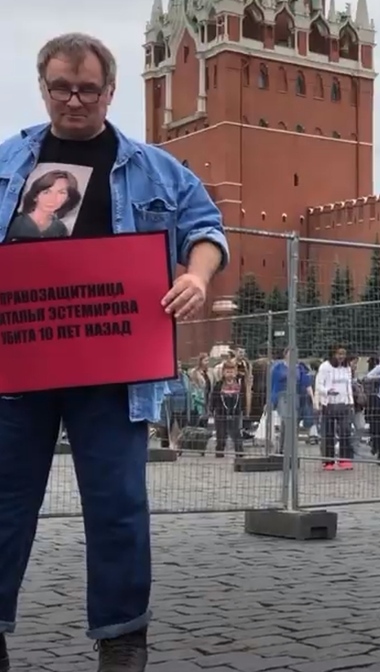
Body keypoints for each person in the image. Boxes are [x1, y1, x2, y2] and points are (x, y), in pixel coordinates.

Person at [0, 33, 227, 672]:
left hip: (114, 370)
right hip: (19, 364)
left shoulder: (154, 168)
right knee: (5, 503)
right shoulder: (8, 161)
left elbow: (206, 227)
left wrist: (197, 276)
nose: (74, 100)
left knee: (119, 506)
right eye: (61, 88)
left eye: (88, 89)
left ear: (110, 91)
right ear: (43, 88)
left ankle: (123, 637)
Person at [315, 346, 356, 471]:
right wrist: (327, 391)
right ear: (333, 354)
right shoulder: (325, 367)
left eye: (343, 354)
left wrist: (351, 401)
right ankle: (328, 461)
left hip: (344, 404)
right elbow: (318, 385)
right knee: (328, 433)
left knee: (345, 432)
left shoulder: (347, 368)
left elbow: (348, 385)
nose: (341, 357)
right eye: (339, 354)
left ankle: (344, 459)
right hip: (329, 404)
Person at [268, 348, 313, 454]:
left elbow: (307, 384)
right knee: (288, 422)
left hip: (296, 397)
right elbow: (273, 384)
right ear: (285, 354)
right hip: (282, 396)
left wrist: (313, 399)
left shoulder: (300, 368)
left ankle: (281, 449)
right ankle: (290, 449)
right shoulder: (278, 368)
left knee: (289, 424)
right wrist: (270, 400)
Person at [209, 361, 246, 457]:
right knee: (221, 433)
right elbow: (213, 397)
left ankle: (239, 451)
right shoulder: (219, 385)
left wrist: (243, 409)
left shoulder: (239, 384)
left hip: (235, 412)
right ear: (223, 372)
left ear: (235, 372)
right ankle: (219, 450)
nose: (230, 374)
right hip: (221, 412)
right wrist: (211, 409)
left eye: (232, 372)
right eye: (227, 372)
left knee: (236, 432)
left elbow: (243, 398)